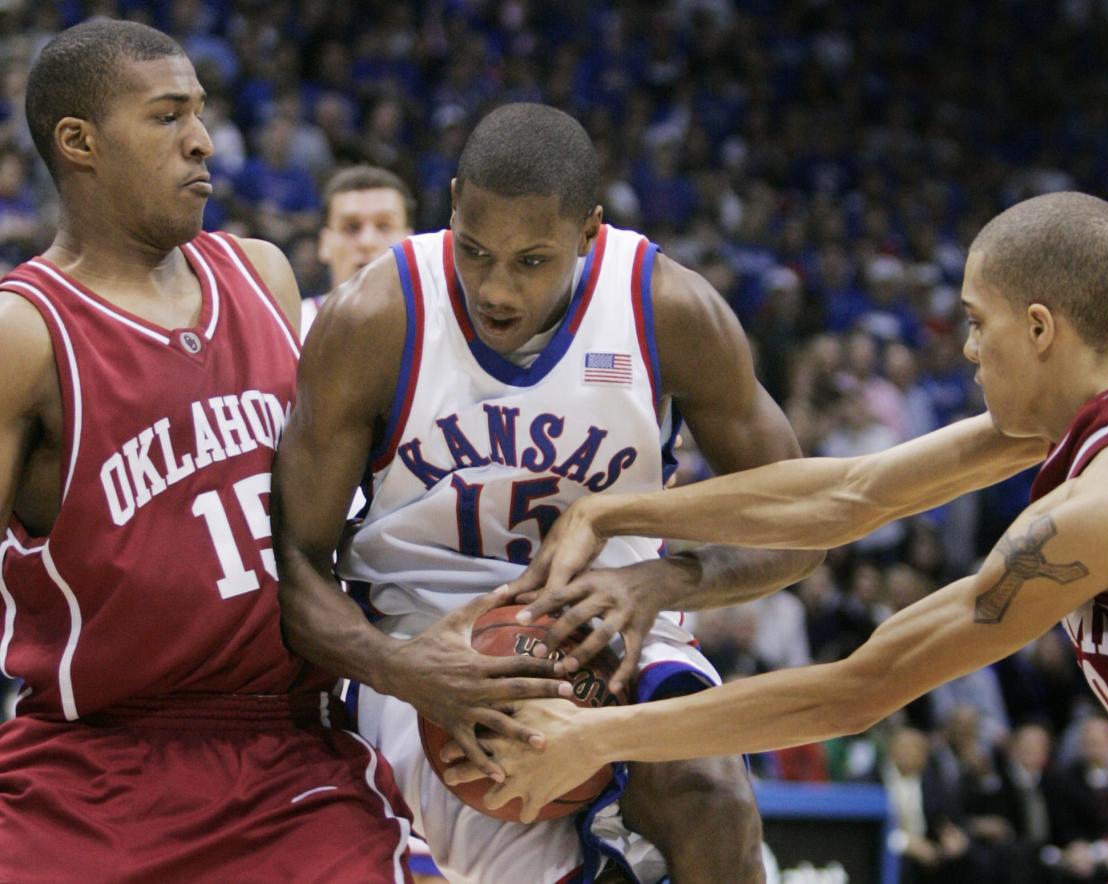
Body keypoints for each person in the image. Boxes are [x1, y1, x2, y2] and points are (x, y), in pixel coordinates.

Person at [463, 192, 1108, 880]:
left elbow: (861, 687)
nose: (968, 350)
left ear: (1040, 328)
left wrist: (594, 736)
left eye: (977, 322)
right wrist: (612, 511)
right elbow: (852, 492)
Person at [271, 102, 825, 883]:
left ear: (588, 234)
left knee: (715, 803)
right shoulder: (377, 317)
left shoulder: (665, 308)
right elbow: (293, 564)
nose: (495, 288)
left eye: (531, 260)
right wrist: (400, 669)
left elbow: (803, 526)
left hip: (616, 619)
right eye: (475, 250)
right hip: (428, 636)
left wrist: (659, 580)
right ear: (453, 203)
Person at [0, 20, 413, 880]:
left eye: (202, 112)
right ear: (79, 143)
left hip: (288, 757)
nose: (202, 139)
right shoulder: (26, 333)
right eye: (167, 117)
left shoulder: (263, 276)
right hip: (94, 768)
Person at [302, 163, 415, 340]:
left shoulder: (438, 330)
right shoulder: (293, 326)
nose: (367, 242)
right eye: (351, 228)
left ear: (411, 241)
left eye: (384, 226)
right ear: (325, 243)